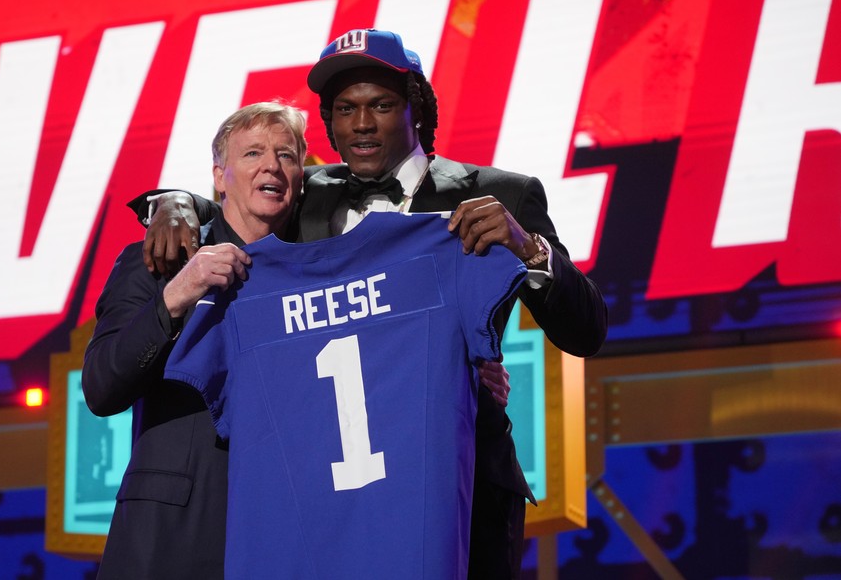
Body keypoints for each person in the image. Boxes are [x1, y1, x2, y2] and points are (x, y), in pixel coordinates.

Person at [136, 29, 607, 579]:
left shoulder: (501, 193)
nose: (361, 124)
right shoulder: (308, 192)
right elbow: (239, 193)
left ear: (416, 109)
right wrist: (173, 203)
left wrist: (528, 248)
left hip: (460, 477)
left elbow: (586, 330)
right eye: (345, 109)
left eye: (380, 105)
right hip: (330, 486)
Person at [82, 101, 307, 579]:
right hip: (170, 538)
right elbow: (101, 388)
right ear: (220, 176)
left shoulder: (313, 268)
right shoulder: (160, 258)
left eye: (286, 155)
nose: (271, 165)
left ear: (301, 177)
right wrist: (177, 294)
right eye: (252, 153)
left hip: (282, 532)